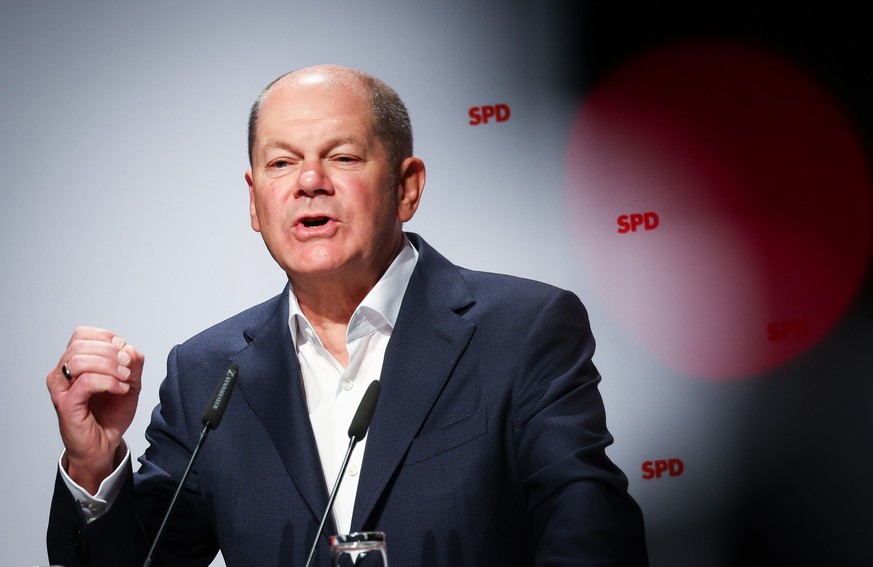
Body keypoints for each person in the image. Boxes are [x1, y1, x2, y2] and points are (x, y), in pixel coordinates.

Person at [46, 64, 648, 566]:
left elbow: (592, 534)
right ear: (255, 202)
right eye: (281, 164)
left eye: (342, 157)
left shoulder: (523, 328)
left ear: (407, 187)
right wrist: (94, 462)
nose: (309, 181)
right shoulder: (208, 374)